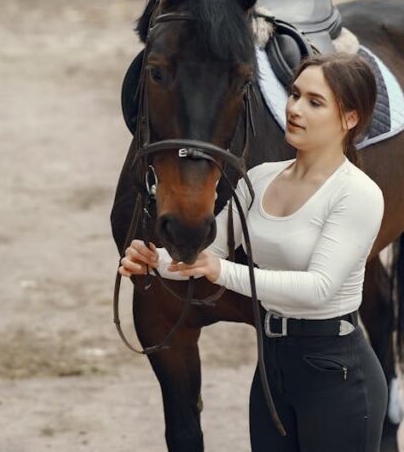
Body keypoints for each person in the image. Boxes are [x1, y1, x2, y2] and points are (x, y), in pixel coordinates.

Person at [118, 53, 388, 451]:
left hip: (336, 372)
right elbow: (206, 256)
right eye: (294, 94)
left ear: (349, 119)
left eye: (314, 102)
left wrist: (222, 271)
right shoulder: (259, 179)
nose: (295, 109)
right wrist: (153, 261)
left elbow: (319, 289)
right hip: (271, 369)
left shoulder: (357, 193)